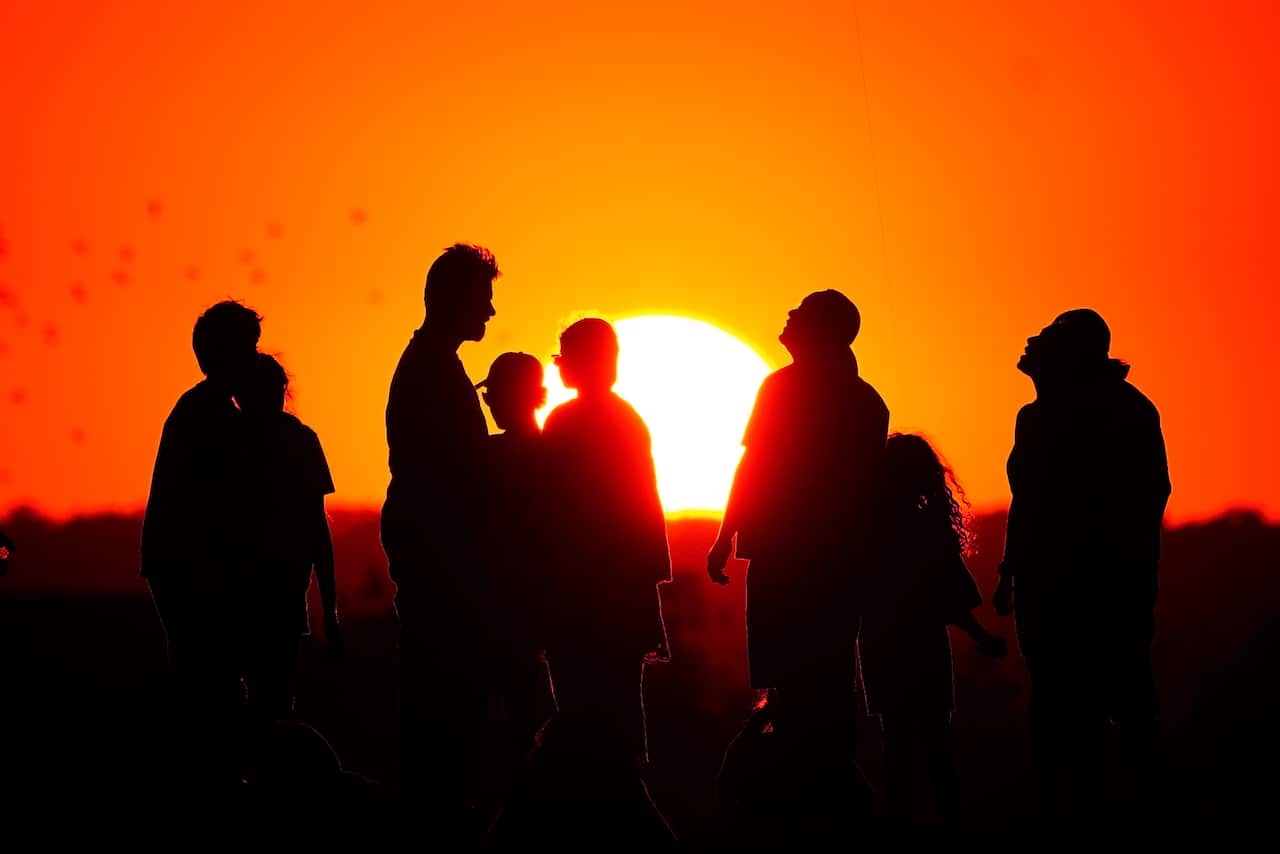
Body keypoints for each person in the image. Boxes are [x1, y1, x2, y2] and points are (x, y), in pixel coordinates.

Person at [706, 290, 887, 823]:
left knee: (795, 685)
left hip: (792, 560)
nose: (787, 317)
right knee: (823, 682)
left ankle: (814, 804)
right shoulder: (866, 400)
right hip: (835, 566)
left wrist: (724, 536)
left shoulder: (783, 389)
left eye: (801, 313)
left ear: (822, 331)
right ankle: (828, 801)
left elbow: (753, 467)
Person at [994, 308, 1171, 816]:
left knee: (1118, 702)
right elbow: (1026, 499)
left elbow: (1144, 497)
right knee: (1057, 700)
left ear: (1072, 356)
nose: (1031, 339)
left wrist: (1104, 564)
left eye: (1047, 336)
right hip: (1048, 583)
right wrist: (1011, 567)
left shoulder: (1124, 412)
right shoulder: (1037, 416)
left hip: (1102, 588)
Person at [379, 243, 499, 823]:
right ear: (451, 300)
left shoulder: (433, 364)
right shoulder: (431, 369)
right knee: (441, 691)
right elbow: (452, 470)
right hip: (439, 552)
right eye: (483, 299)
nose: (491, 314)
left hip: (435, 546)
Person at [541, 318, 671, 767]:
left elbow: (550, 511)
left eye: (564, 357)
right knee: (621, 708)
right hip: (621, 590)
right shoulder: (627, 420)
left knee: (580, 711)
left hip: (580, 594)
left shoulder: (566, 422)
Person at [140, 300, 261, 784]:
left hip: (183, 564)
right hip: (194, 570)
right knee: (208, 682)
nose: (255, 359)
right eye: (248, 348)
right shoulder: (210, 416)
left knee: (202, 680)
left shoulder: (204, 410)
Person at [858, 433, 1005, 822]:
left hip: (880, 647)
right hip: (922, 650)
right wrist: (984, 637)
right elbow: (951, 600)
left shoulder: (864, 533)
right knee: (938, 747)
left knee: (897, 746)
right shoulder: (926, 531)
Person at [236, 353, 340, 721]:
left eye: (277, 389)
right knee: (270, 704)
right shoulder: (231, 441)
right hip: (249, 596)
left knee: (267, 703)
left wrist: (329, 607)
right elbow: (317, 528)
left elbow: (316, 527)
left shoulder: (297, 440)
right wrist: (329, 608)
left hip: (274, 597)